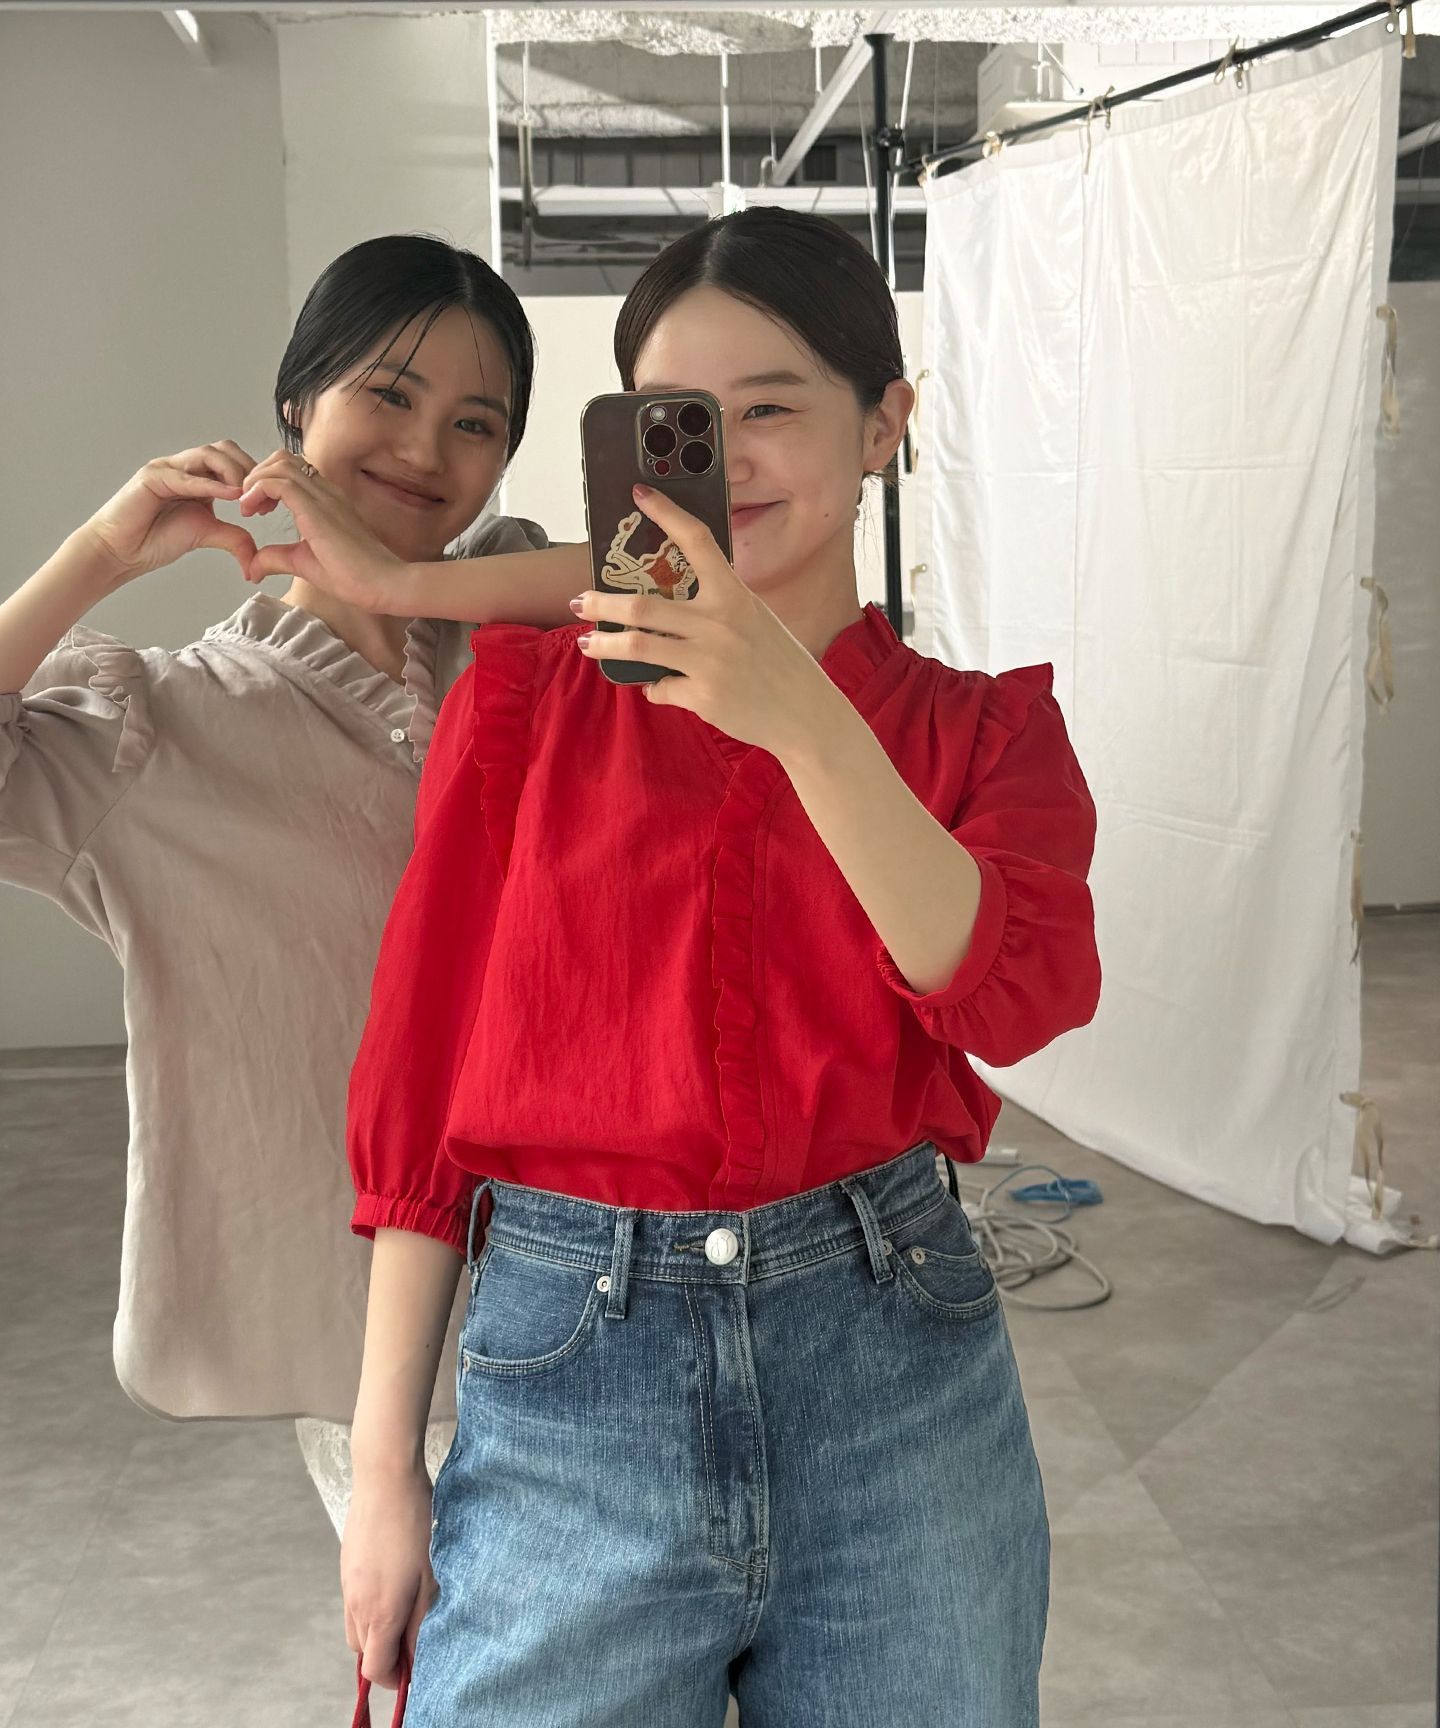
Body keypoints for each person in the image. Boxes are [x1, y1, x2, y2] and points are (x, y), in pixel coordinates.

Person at [262, 207, 1101, 1726]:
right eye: (678, 423)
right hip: (570, 1372)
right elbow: (426, 1088)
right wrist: (385, 1468)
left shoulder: (982, 736)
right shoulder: (524, 706)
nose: (725, 463)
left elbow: (1014, 996)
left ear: (884, 425)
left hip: (893, 1378)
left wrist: (799, 717)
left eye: (770, 408)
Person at [0, 233, 585, 1536]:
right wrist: (101, 552)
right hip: (372, 1337)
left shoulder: (532, 626)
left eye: (475, 422)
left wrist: (407, 583)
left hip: (617, 1278)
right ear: (297, 401)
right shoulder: (165, 724)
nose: (426, 449)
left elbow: (701, 587)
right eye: (389, 394)